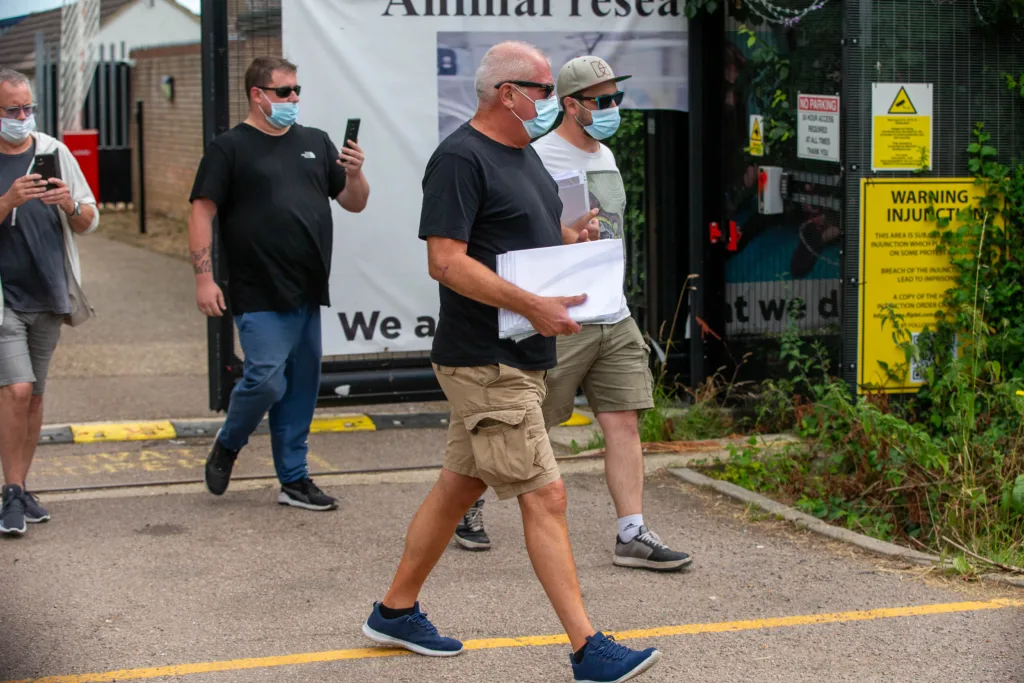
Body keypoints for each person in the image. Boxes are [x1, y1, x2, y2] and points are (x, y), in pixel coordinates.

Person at [361, 41, 661, 683]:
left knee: (459, 485)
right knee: (546, 495)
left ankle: (394, 610)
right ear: (507, 93)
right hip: (484, 360)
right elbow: (445, 260)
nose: (553, 100)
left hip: (523, 354)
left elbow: (521, 241)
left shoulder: (523, 155)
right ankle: (588, 649)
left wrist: (569, 241)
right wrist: (533, 303)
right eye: (544, 88)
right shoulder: (459, 158)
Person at [454, 56, 693, 572]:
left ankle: (631, 532)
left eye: (616, 99)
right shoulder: (537, 156)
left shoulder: (606, 154)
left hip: (613, 311)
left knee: (624, 419)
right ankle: (466, 500)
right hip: (560, 313)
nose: (612, 109)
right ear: (569, 105)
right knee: (524, 419)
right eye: (601, 102)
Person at [188, 56, 370, 511]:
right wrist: (205, 278)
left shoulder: (314, 141)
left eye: (296, 90)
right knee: (267, 380)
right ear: (258, 95)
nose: (294, 99)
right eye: (284, 92)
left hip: (307, 288)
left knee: (302, 387)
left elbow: (354, 203)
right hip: (256, 287)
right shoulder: (229, 147)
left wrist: (354, 172)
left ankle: (294, 479)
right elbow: (202, 211)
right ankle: (229, 443)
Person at [0, 68, 98, 536]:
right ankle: (12, 491)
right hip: (5, 298)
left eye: (28, 108)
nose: (23, 116)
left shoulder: (52, 151)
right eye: (12, 110)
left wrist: (68, 205)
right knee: (16, 390)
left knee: (35, 396)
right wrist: (7, 201)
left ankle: (20, 488)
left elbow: (90, 218)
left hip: (49, 290)